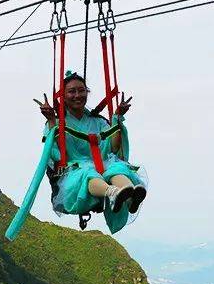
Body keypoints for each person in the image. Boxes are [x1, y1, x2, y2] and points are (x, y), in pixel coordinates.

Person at [33, 72, 146, 217]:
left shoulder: (98, 121)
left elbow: (114, 148)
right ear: (63, 96)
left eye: (81, 91)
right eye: (72, 91)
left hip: (101, 164)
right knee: (87, 173)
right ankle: (112, 193)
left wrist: (117, 117)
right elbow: (56, 153)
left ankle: (130, 197)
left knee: (116, 167)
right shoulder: (58, 122)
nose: (77, 95)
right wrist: (51, 120)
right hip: (74, 169)